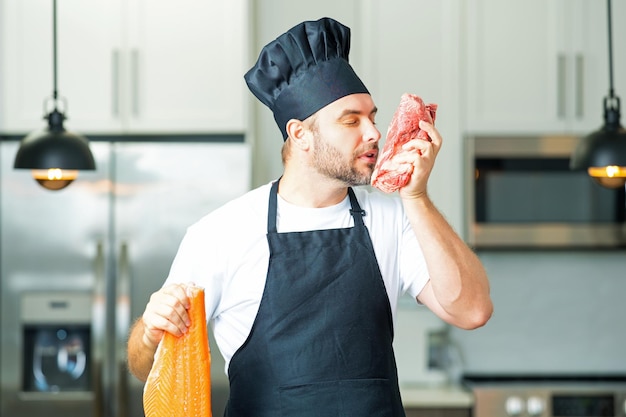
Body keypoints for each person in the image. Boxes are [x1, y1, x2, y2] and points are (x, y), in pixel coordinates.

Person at [127, 17, 492, 416]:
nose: (373, 133)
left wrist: (417, 196)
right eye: (352, 120)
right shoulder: (223, 233)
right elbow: (144, 366)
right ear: (300, 134)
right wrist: (149, 332)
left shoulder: (393, 217)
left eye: (372, 117)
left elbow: (472, 310)